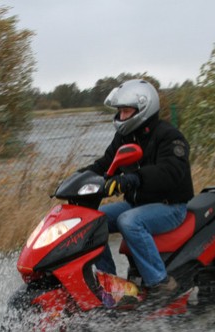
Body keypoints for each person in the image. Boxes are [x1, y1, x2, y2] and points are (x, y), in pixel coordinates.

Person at [79, 79, 194, 300]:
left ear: (144, 109)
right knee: (93, 221)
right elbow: (105, 164)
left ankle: (160, 282)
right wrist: (78, 178)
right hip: (138, 203)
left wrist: (133, 179)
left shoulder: (169, 136)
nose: (121, 116)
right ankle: (106, 280)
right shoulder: (125, 137)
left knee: (129, 221)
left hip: (169, 207)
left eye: (126, 111)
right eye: (120, 111)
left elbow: (170, 172)